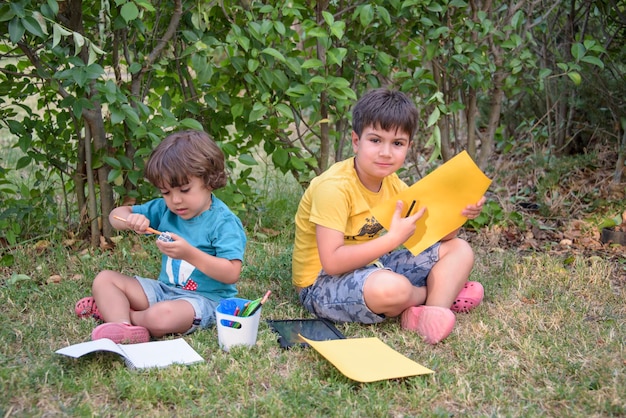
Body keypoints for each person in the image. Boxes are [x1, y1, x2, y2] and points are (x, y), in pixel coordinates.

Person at [292, 88, 486, 344]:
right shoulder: (334, 188)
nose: (386, 152)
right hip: (320, 285)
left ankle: (432, 311)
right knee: (392, 288)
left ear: (408, 146)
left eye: (397, 143)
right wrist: (393, 239)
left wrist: (460, 214)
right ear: (355, 141)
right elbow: (332, 263)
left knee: (459, 248)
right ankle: (437, 292)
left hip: (371, 265)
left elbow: (433, 235)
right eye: (375, 140)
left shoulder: (392, 183)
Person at [75, 130, 247, 344]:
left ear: (209, 180)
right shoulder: (164, 210)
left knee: (161, 316)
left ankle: (119, 314)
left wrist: (189, 254)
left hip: (204, 300)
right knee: (105, 279)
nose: (175, 200)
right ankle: (122, 327)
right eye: (166, 192)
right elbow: (115, 216)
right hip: (163, 290)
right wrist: (131, 220)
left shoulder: (223, 222)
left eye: (185, 190)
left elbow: (231, 272)